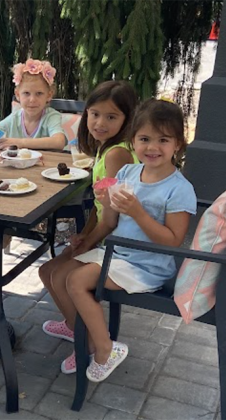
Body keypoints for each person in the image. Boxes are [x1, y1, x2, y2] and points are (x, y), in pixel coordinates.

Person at [45, 99, 197, 380]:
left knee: (75, 281)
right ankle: (81, 331)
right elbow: (111, 222)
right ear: (133, 141)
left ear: (178, 144)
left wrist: (138, 213)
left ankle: (104, 347)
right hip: (117, 254)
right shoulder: (128, 173)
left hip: (146, 265)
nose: (152, 147)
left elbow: (173, 242)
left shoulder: (179, 189)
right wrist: (89, 235)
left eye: (163, 140)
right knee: (53, 270)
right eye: (144, 139)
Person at [39, 80, 139, 342]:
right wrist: (83, 234)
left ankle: (89, 342)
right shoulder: (108, 149)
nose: (100, 123)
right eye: (94, 114)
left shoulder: (117, 155)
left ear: (127, 120)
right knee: (46, 270)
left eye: (111, 116)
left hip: (119, 244)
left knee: (60, 274)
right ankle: (75, 326)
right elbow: (100, 204)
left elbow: (111, 218)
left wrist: (86, 244)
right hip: (106, 235)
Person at [0, 58, 67, 150]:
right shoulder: (14, 118)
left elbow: (59, 142)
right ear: (18, 95)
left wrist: (21, 142)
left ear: (49, 95)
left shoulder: (51, 117)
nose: (32, 100)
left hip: (47, 164)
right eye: (26, 93)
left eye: (39, 93)